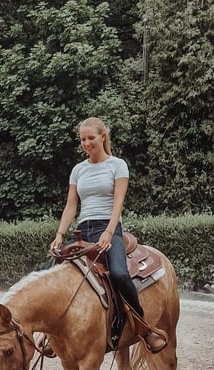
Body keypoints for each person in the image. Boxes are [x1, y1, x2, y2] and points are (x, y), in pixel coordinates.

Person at [50, 117, 167, 353]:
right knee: (50, 270)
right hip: (84, 230)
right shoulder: (78, 170)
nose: (86, 143)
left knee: (120, 275)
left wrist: (109, 232)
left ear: (103, 137)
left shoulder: (117, 165)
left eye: (90, 138)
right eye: (82, 139)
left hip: (109, 228)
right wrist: (60, 235)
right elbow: (71, 206)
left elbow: (118, 202)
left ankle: (144, 328)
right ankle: (52, 332)